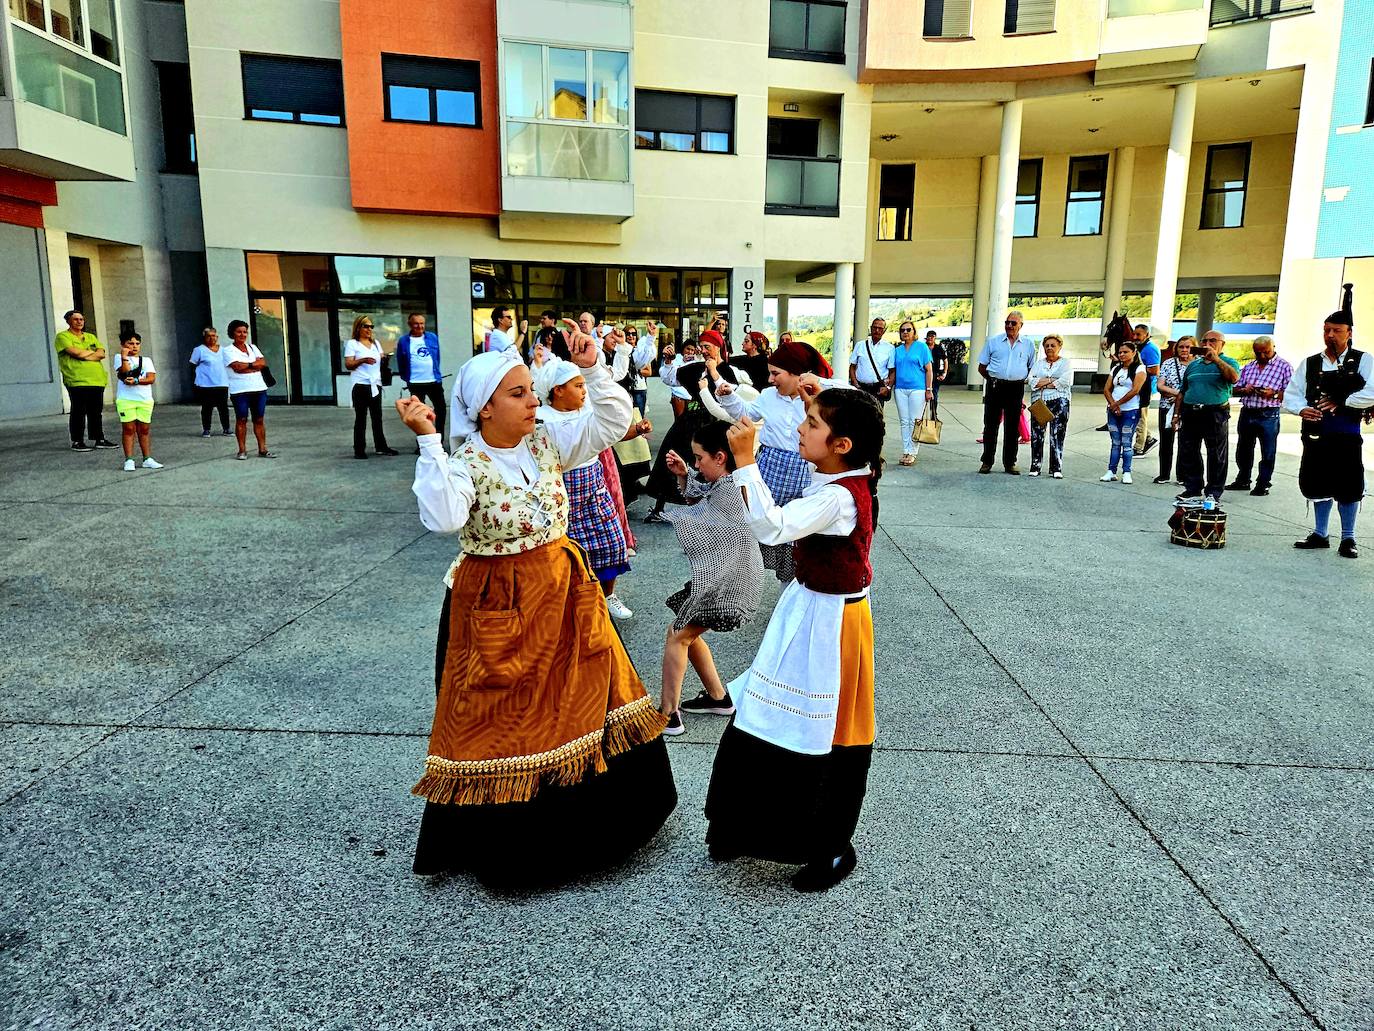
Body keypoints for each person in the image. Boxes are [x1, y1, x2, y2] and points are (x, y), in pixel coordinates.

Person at [397, 336, 676, 887]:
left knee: (589, 695)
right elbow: (444, 518)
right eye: (519, 394)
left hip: (564, 591)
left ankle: (603, 829)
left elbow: (613, 420)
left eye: (531, 391)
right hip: (497, 601)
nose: (533, 402)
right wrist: (429, 440)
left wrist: (593, 368)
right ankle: (520, 847)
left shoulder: (546, 439)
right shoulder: (464, 462)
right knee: (508, 718)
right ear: (484, 408)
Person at [705, 384, 884, 893]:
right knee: (766, 711)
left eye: (812, 424)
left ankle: (829, 846)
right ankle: (739, 825)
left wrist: (744, 461)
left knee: (827, 732)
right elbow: (805, 445)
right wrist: (820, 399)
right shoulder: (843, 474)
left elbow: (772, 527)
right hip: (809, 607)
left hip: (833, 622)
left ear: (843, 444)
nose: (801, 429)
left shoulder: (838, 497)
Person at [658, 419, 765, 737]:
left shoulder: (730, 493)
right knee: (686, 631)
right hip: (733, 582)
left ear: (720, 457)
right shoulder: (730, 484)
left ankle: (668, 715)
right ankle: (718, 698)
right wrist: (684, 475)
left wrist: (678, 506)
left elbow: (700, 510)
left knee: (678, 635)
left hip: (730, 588)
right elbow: (705, 494)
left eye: (698, 459)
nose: (695, 465)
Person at [713, 339, 844, 581]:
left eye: (776, 373)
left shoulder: (821, 398)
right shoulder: (768, 395)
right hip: (769, 466)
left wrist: (819, 384)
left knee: (796, 533)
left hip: (803, 470)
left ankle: (791, 580)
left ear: (799, 374)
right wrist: (729, 396)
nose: (771, 379)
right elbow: (746, 414)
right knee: (755, 520)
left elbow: (855, 396)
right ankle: (745, 576)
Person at [535, 355, 636, 619]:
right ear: (558, 391)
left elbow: (615, 421)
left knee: (612, 544)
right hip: (562, 494)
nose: (584, 390)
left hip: (593, 487)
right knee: (570, 555)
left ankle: (609, 595)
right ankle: (575, 603)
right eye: (578, 385)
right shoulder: (541, 421)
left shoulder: (588, 410)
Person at [1285, 285, 1373, 559]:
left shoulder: (1363, 360)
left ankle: (1348, 538)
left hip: (1346, 435)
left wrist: (1342, 401)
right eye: (1326, 330)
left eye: (1336, 330)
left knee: (1348, 485)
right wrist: (1302, 410)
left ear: (1349, 333)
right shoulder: (1310, 363)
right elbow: (1291, 395)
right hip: (1315, 435)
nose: (1330, 335)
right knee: (1317, 483)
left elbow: (1371, 392)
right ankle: (1320, 534)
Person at [644, 335, 736, 524]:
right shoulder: (696, 368)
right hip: (688, 422)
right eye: (701, 346)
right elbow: (671, 378)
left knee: (708, 466)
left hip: (714, 424)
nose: (703, 350)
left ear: (718, 347)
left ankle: (710, 509)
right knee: (669, 458)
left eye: (707, 346)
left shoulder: (727, 370)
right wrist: (668, 361)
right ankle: (660, 506)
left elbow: (734, 399)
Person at [1173, 329, 1239, 507]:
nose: (1207, 344)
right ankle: (1193, 488)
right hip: (1191, 411)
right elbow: (1182, 391)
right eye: (1204, 341)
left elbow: (1233, 378)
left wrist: (1216, 359)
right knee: (1189, 450)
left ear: (1222, 344)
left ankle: (1213, 491)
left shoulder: (1228, 362)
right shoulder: (1193, 365)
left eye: (1213, 341)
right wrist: (1176, 414)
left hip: (1215, 412)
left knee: (1216, 453)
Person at [1226, 334, 1292, 497]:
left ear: (1273, 348)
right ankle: (1243, 479)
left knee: (1268, 451)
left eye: (1266, 352)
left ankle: (1263, 483)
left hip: (1268, 413)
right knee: (1244, 449)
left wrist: (1274, 394)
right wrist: (1244, 390)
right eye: (1258, 353)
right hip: (1248, 411)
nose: (1262, 356)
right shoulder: (1249, 366)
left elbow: (1292, 392)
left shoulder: (1284, 366)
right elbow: (1233, 389)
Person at [977, 310, 1035, 474]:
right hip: (995, 385)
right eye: (1007, 322)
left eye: (1013, 323)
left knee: (1012, 427)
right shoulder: (993, 342)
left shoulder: (1028, 345)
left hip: (1015, 388)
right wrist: (994, 379)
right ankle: (987, 461)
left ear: (1021, 325)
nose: (1009, 325)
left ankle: (1010, 462)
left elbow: (1031, 366)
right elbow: (982, 367)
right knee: (990, 425)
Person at [55, 309, 117, 452]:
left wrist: (85, 355)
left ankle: (99, 439)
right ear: (68, 321)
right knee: (79, 411)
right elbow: (75, 353)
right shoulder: (62, 336)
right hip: (77, 380)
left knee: (96, 411)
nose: (79, 322)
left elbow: (101, 353)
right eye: (76, 319)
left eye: (81, 319)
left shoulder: (90, 337)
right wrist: (90, 354)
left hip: (96, 380)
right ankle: (77, 441)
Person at [343, 315, 398, 460]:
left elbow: (380, 359)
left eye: (371, 326)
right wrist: (362, 360)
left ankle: (381, 446)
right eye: (366, 326)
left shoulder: (375, 344)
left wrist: (386, 357)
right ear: (358, 327)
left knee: (377, 418)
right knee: (360, 419)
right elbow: (348, 364)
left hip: (375, 384)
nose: (369, 329)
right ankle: (359, 449)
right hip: (361, 385)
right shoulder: (353, 344)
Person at [224, 319, 275, 460]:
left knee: (259, 419)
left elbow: (263, 363)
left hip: (259, 388)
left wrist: (248, 365)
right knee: (241, 419)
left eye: (245, 332)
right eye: (239, 332)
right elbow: (237, 368)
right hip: (240, 390)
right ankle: (242, 450)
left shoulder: (253, 347)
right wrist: (253, 365)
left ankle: (263, 449)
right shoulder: (228, 350)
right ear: (232, 333)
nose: (242, 334)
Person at [112, 333, 162, 471]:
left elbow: (151, 378)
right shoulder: (119, 358)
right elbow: (126, 372)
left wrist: (137, 381)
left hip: (144, 399)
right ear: (123, 345)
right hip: (126, 399)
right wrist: (124, 356)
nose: (134, 346)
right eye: (130, 343)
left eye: (137, 343)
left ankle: (147, 458)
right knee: (129, 429)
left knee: (144, 429)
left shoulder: (146, 360)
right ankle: (129, 459)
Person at [395, 314, 445, 446]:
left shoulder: (432, 338)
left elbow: (437, 357)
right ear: (410, 324)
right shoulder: (404, 341)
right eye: (416, 323)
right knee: (419, 413)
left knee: (441, 410)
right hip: (415, 382)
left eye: (422, 323)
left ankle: (439, 439)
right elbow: (400, 360)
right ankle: (423, 442)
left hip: (433, 381)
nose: (420, 326)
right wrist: (406, 377)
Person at [1027, 333, 1072, 478]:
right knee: (1037, 435)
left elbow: (1066, 380)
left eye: (1053, 345)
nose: (1049, 348)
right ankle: (1035, 466)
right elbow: (1031, 380)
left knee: (1057, 434)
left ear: (1059, 347)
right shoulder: (1039, 364)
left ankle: (1056, 468)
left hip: (1060, 401)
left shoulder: (1066, 363)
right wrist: (1052, 380)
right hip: (1040, 402)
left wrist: (1044, 382)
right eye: (1046, 346)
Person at [1101, 340, 1146, 484]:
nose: (1122, 354)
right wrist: (1112, 405)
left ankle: (1127, 471)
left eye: (1125, 352)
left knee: (1127, 442)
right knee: (1115, 442)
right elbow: (1107, 388)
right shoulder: (1115, 369)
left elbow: (1135, 390)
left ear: (1133, 353)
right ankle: (1111, 471)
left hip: (1130, 410)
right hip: (1113, 411)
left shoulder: (1140, 369)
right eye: (1120, 352)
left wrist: (1118, 404)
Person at [889, 320, 934, 467]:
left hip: (918, 389)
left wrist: (929, 389)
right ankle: (906, 450)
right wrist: (888, 384)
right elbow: (894, 371)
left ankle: (912, 452)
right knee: (904, 421)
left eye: (908, 330)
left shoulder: (922, 347)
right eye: (903, 330)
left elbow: (929, 370)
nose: (905, 332)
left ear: (914, 332)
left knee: (915, 421)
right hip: (900, 389)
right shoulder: (897, 350)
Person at [1154, 336, 1195, 484]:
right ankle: (1164, 474)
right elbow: (1160, 385)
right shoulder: (1168, 363)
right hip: (1167, 406)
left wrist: (1182, 397)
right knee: (1166, 441)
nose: (1184, 350)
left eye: (1188, 347)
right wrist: (1178, 394)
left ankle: (1182, 475)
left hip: (1189, 408)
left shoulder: (1197, 364)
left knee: (1186, 442)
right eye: (1181, 347)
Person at [189, 327, 231, 437]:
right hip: (205, 384)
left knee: (223, 408)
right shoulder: (199, 350)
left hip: (221, 383)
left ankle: (226, 428)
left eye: (214, 336)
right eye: (209, 336)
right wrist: (195, 381)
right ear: (204, 337)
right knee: (207, 408)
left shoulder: (223, 350)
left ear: (217, 337)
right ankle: (206, 429)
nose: (212, 338)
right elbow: (192, 366)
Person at [849, 317, 893, 408]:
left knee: (876, 418)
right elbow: (852, 366)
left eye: (880, 328)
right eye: (874, 327)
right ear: (871, 328)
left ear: (884, 331)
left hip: (878, 389)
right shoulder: (860, 345)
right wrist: (855, 383)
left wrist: (888, 388)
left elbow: (892, 371)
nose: (877, 330)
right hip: (861, 388)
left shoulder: (890, 348)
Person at [1133, 324, 1161, 456]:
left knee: (1140, 416)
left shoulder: (1150, 349)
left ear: (1147, 335)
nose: (1135, 337)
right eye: (1134, 334)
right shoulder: (1141, 347)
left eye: (1138, 334)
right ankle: (1148, 439)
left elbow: (1155, 370)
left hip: (1145, 386)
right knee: (1138, 416)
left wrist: (1136, 370)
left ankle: (1139, 447)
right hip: (1139, 385)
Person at [928, 331, 948, 421]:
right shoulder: (923, 347)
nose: (930, 338)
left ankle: (933, 415)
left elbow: (945, 360)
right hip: (924, 376)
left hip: (936, 376)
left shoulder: (939, 348)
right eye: (929, 336)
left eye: (932, 337)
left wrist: (944, 373)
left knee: (934, 396)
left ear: (935, 338)